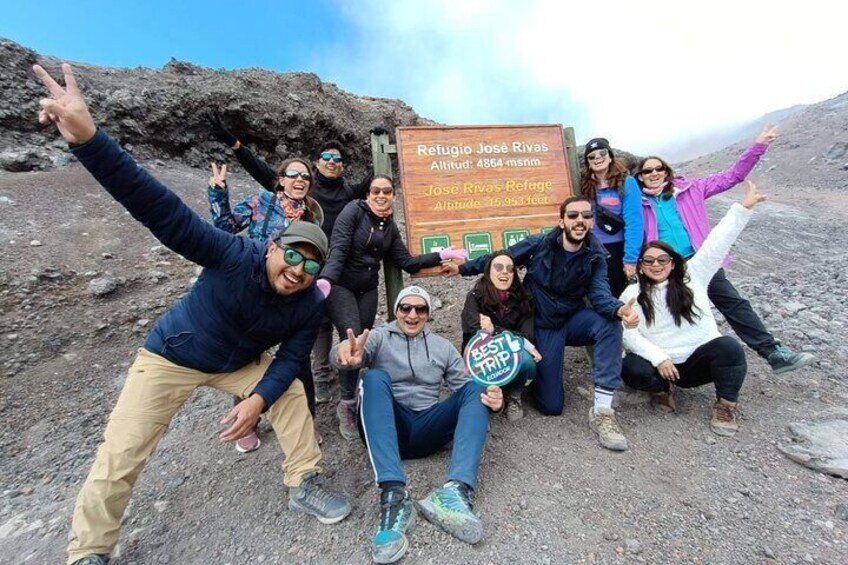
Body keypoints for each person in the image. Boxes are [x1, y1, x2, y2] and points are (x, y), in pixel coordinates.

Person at [33, 64, 351, 565]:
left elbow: (291, 360)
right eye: (292, 255)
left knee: (287, 389)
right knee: (122, 450)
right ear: (273, 248)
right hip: (171, 356)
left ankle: (303, 481)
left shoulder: (310, 302)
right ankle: (90, 550)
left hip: (235, 365)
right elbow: (160, 210)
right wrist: (90, 140)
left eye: (311, 265)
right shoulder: (232, 254)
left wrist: (256, 399)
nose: (298, 271)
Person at [444, 196, 640, 451]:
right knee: (551, 406)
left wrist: (618, 309)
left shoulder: (596, 256)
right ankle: (526, 380)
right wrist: (462, 269)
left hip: (573, 319)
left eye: (585, 215)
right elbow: (500, 258)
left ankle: (603, 411)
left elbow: (600, 294)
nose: (579, 220)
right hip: (543, 325)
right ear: (562, 221)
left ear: (591, 222)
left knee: (608, 323)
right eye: (572, 215)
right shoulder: (540, 244)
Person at [207, 112, 378, 404]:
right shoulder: (273, 198)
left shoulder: (323, 207)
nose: (300, 180)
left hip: (308, 278)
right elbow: (229, 220)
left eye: (338, 159)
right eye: (326, 157)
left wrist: (380, 146)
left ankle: (309, 406)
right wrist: (229, 158)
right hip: (262, 281)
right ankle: (248, 411)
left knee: (302, 343)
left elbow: (371, 183)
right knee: (255, 348)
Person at [331, 286, 503, 564]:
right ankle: (393, 494)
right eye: (405, 308)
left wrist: (495, 401)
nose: (412, 314)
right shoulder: (378, 337)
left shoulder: (442, 347)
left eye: (420, 309)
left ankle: (455, 492)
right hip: (388, 428)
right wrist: (343, 355)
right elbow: (350, 354)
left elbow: (466, 391)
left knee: (477, 389)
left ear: (427, 314)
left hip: (426, 426)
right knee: (373, 379)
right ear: (397, 310)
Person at [634, 124, 814, 374]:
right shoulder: (636, 203)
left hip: (699, 260)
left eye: (658, 168)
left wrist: (758, 146)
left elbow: (733, 175)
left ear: (666, 171)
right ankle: (657, 370)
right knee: (661, 314)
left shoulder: (691, 189)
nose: (653, 173)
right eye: (647, 171)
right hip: (661, 267)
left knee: (732, 302)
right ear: (640, 177)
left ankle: (773, 352)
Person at [319, 175, 467, 440]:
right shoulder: (353, 211)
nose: (381, 195)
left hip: (368, 289)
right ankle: (347, 405)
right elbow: (339, 248)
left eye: (387, 191)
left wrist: (441, 255)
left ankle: (359, 394)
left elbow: (405, 261)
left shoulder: (388, 225)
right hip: (341, 285)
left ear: (393, 195)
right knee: (350, 339)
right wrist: (327, 281)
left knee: (361, 344)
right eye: (375, 190)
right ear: (367, 193)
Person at [621, 181, 767, 436]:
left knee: (729, 348)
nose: (656, 265)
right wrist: (659, 358)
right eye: (649, 261)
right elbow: (627, 333)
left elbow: (716, 244)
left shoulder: (693, 276)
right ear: (641, 266)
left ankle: (725, 405)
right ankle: (661, 390)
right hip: (662, 365)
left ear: (673, 263)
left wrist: (742, 209)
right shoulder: (632, 293)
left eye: (662, 259)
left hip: (697, 360)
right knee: (630, 367)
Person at [207, 159, 325, 452]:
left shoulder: (312, 214)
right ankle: (247, 421)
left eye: (305, 177)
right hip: (255, 288)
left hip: (293, 291)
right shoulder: (261, 201)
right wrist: (218, 193)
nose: (300, 180)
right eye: (293, 175)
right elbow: (225, 226)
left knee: (298, 360)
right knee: (250, 357)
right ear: (280, 179)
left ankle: (307, 421)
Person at [460, 250, 539, 421]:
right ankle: (481, 402)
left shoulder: (524, 299)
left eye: (510, 269)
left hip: (509, 356)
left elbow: (527, 335)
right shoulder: (474, 297)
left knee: (527, 361)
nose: (505, 272)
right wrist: (507, 336)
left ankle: (514, 395)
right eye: (498, 267)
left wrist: (494, 330)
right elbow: (473, 331)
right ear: (488, 271)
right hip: (481, 356)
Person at [580, 137, 644, 296]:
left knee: (624, 296)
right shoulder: (584, 185)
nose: (597, 158)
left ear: (610, 156)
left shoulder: (626, 183)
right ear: (588, 162)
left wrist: (630, 259)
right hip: (593, 249)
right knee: (601, 295)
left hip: (618, 249)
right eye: (591, 156)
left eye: (602, 153)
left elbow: (634, 222)